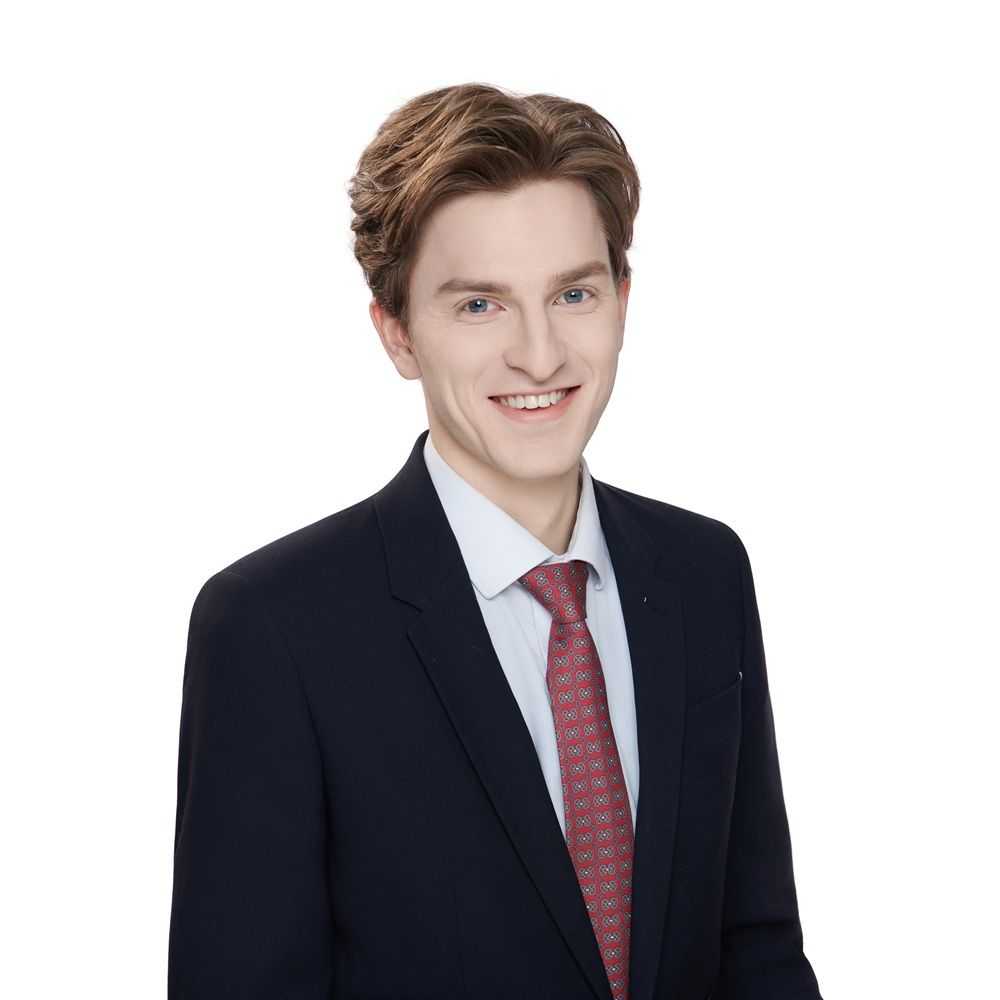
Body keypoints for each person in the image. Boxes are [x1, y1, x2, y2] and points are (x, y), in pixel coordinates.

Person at [168, 82, 824, 1000]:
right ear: (398, 334)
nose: (540, 354)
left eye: (573, 293)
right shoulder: (274, 628)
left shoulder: (704, 572)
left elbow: (756, 949)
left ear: (623, 300)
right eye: (480, 306)